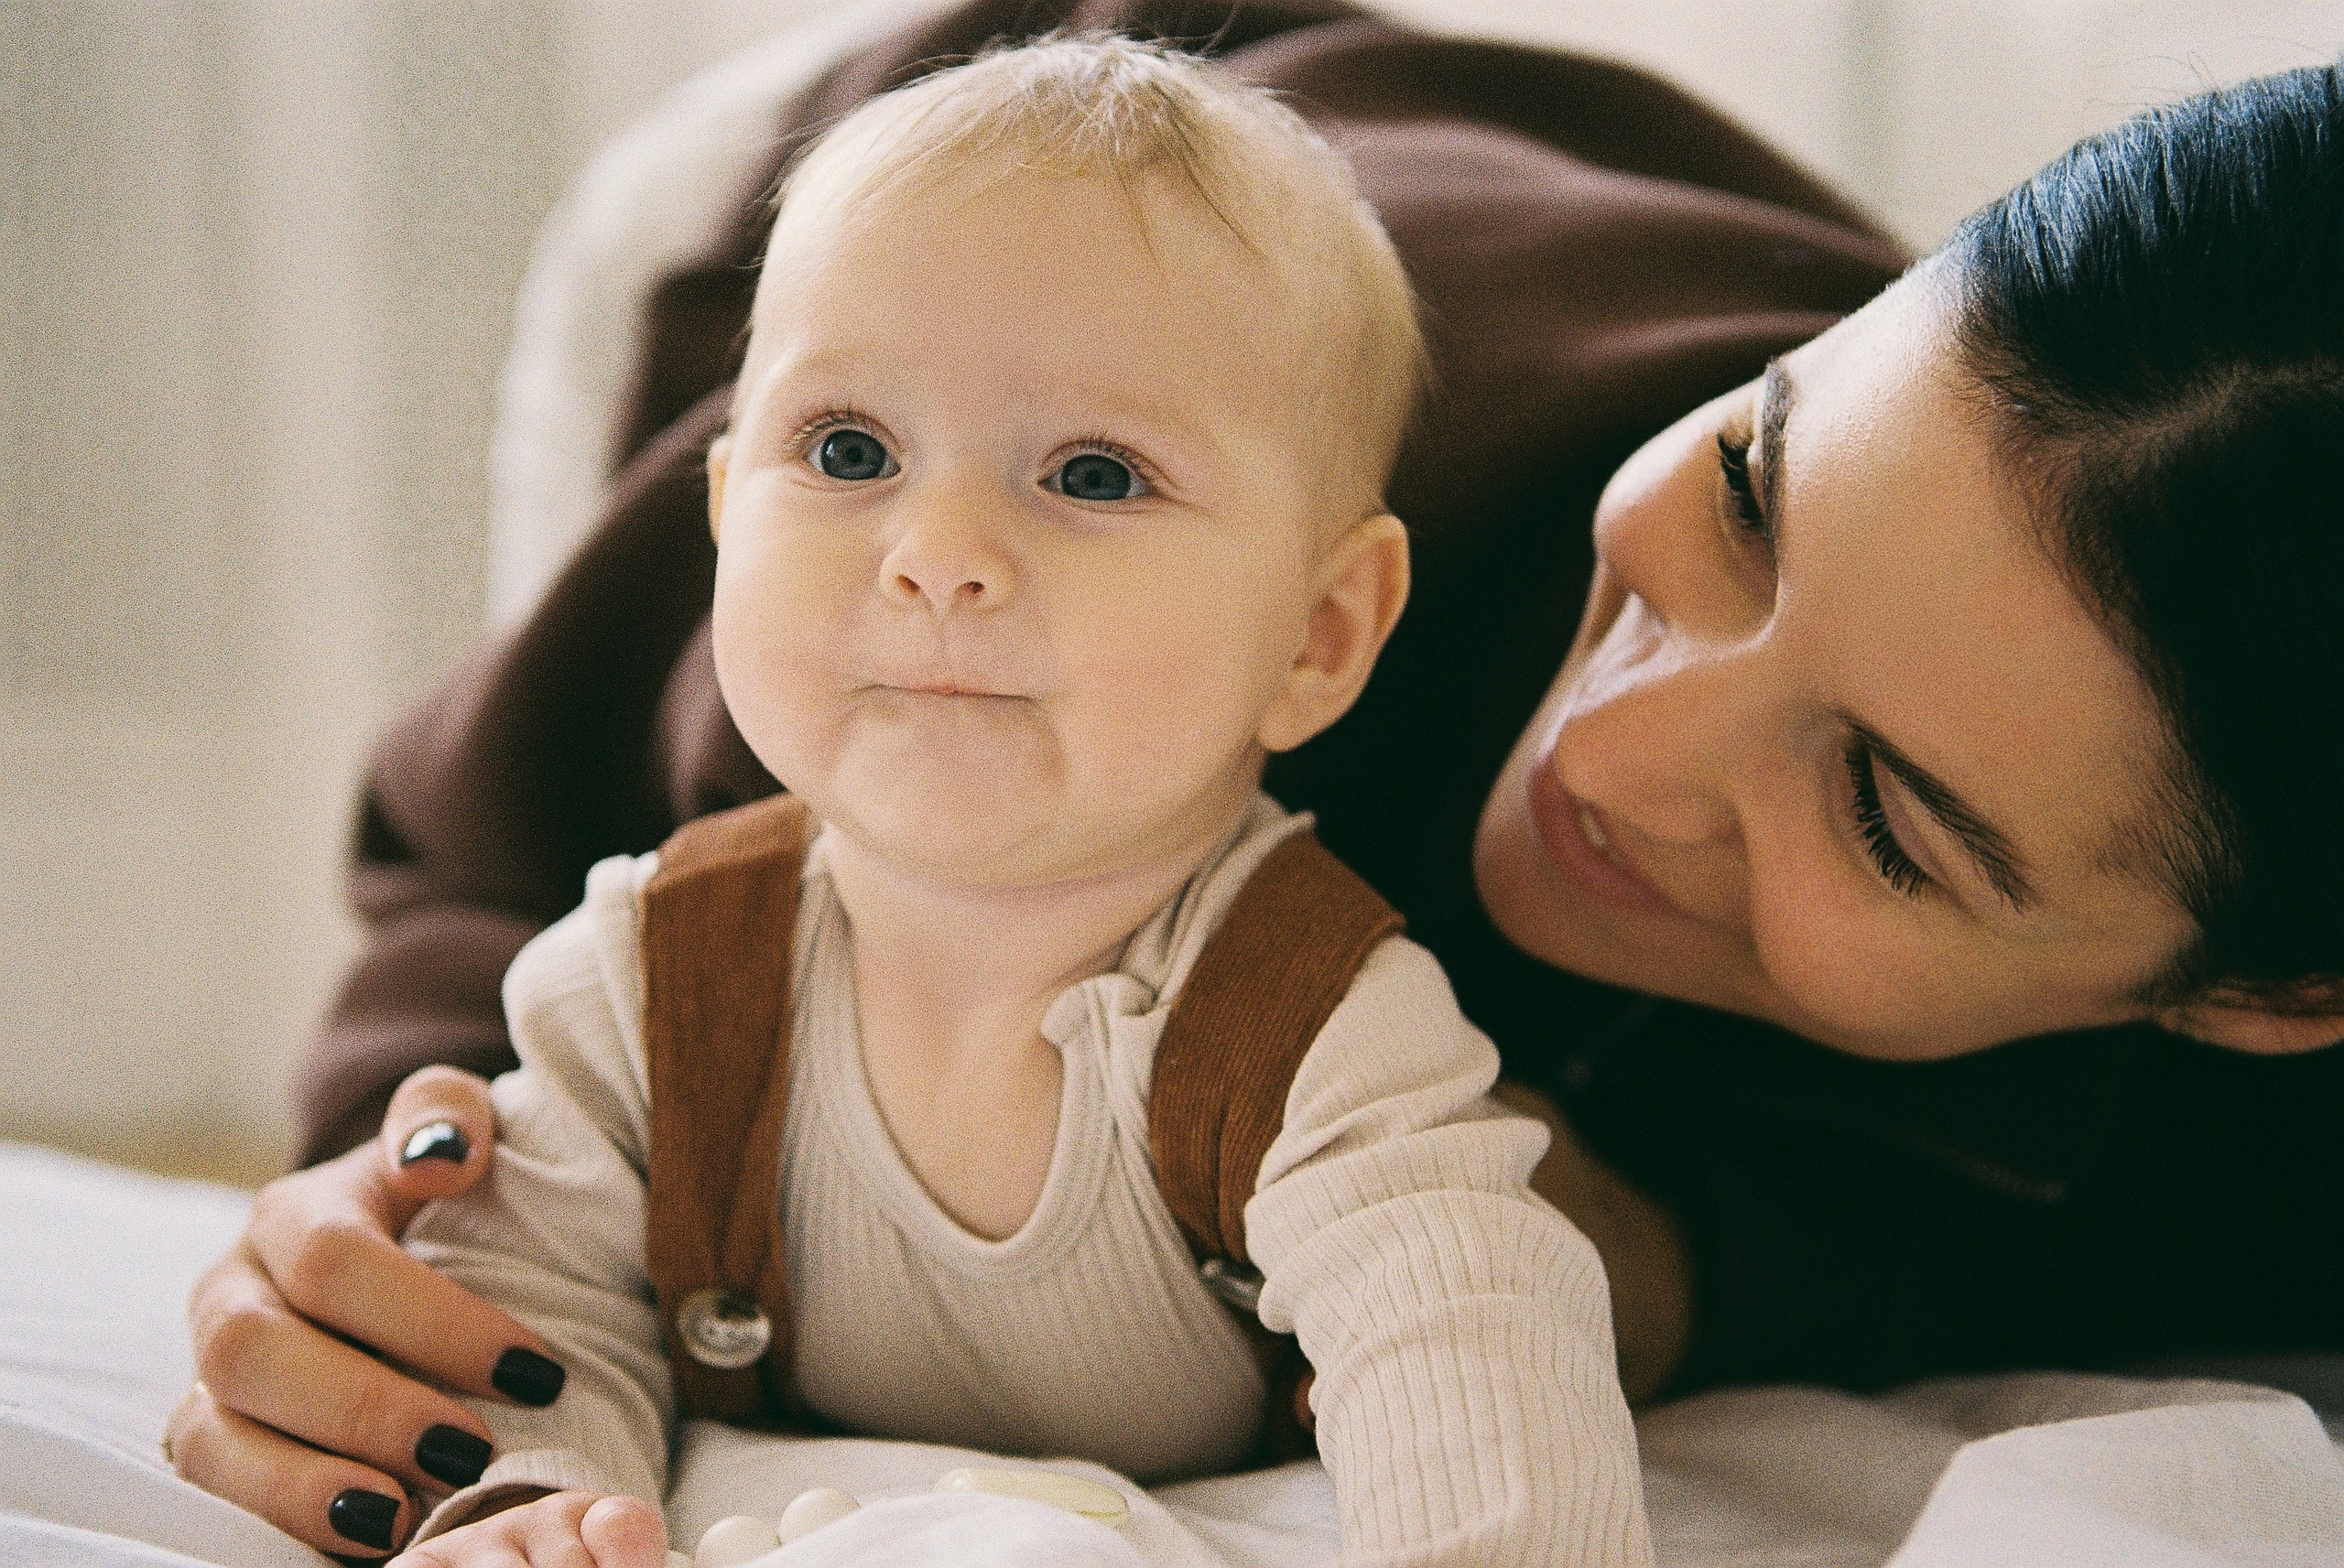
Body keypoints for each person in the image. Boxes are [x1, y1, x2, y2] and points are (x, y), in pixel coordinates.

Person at [167, 1, 2344, 1560]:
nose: (1607, 746)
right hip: (917, 159)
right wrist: (402, 1214)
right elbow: (476, 851)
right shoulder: (1082, 508)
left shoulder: (2265, 1139)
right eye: (1749, 492)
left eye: (1878, 810)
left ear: (2254, 1003)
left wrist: (1688, 1251)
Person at [352, 32, 1649, 1568]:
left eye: (1094, 475)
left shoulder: (1305, 1025)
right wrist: (532, 1503)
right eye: (850, 450)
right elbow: (528, 1301)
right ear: (723, 520)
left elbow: (1468, 1333)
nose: (940, 553)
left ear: (1317, 634)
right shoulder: (655, 975)